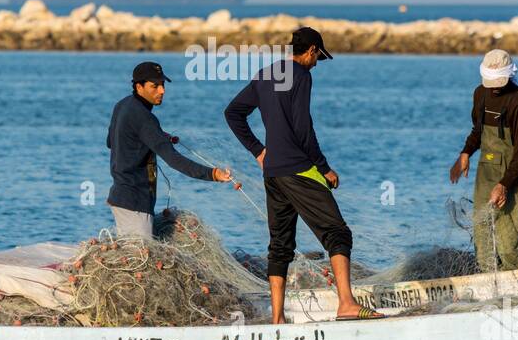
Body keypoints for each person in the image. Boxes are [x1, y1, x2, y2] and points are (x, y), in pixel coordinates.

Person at [225, 27, 381, 323]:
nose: (317, 63)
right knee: (337, 232)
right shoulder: (301, 76)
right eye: (318, 57)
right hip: (299, 168)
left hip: (272, 173)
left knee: (280, 244)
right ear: (310, 51)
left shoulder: (266, 74)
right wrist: (324, 167)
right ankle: (346, 303)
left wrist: (259, 151)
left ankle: (277, 319)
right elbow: (302, 128)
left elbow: (232, 113)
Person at [106, 61, 232, 238]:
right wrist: (213, 174)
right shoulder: (145, 118)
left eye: (163, 85)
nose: (162, 91)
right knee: (139, 261)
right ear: (138, 86)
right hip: (134, 202)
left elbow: (111, 142)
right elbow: (174, 160)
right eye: (155, 86)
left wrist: (153, 137)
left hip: (120, 197)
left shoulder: (122, 105)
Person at [449, 49, 518, 270]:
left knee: (508, 241)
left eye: (499, 80)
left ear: (510, 74)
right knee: (482, 235)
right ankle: (489, 286)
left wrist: (504, 185)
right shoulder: (480, 94)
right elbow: (478, 131)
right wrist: (466, 153)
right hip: (487, 169)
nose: (495, 86)